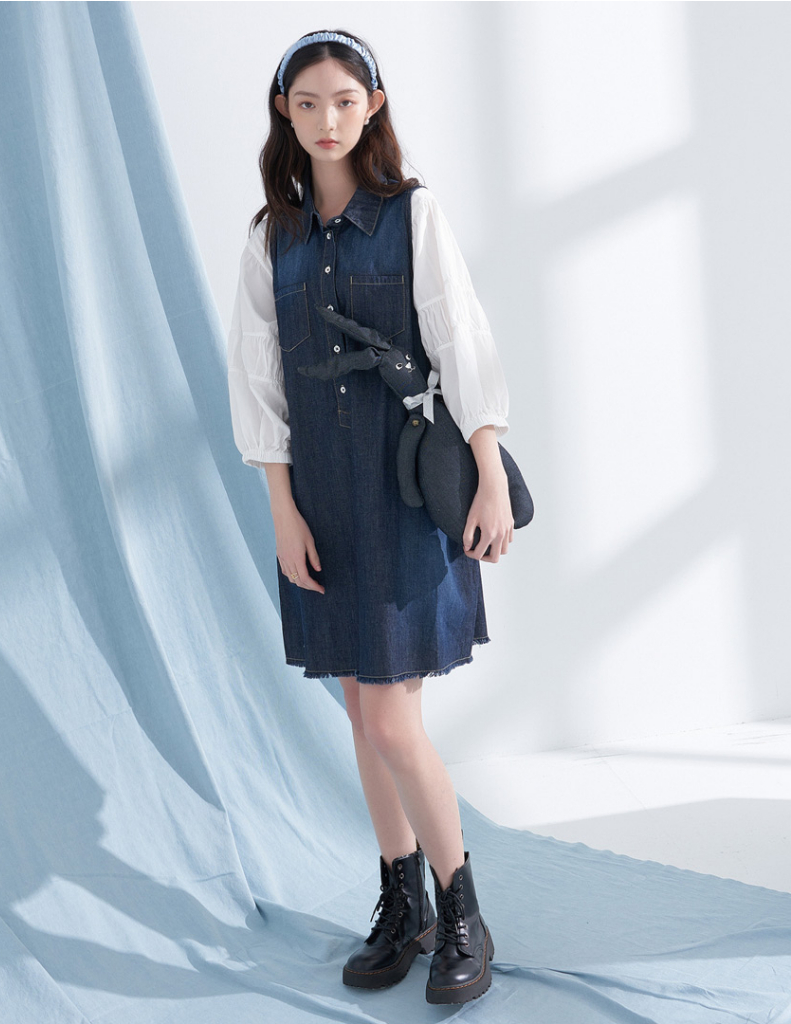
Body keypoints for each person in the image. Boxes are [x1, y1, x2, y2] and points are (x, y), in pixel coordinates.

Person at [225, 28, 513, 1006]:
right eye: (307, 103)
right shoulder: (271, 238)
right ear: (284, 111)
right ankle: (403, 901)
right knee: (359, 708)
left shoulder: (411, 214)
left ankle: (462, 907)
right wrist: (282, 511)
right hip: (320, 499)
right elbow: (256, 384)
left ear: (374, 105)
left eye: (344, 101)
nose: (327, 119)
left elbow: (463, 341)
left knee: (391, 718)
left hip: (400, 490)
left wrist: (487, 472)